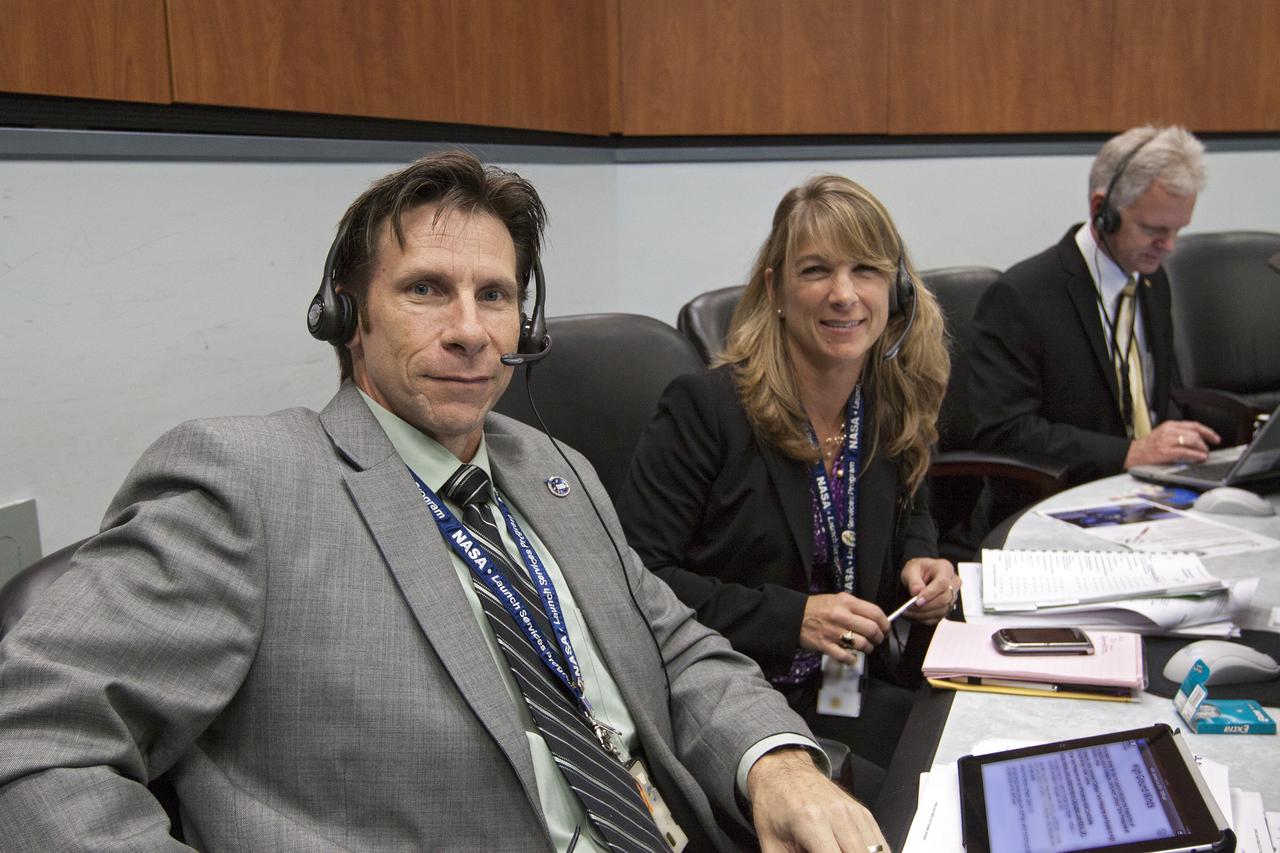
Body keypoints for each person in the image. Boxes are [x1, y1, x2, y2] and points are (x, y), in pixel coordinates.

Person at [0, 152, 889, 852]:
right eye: (426, 289)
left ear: (524, 327)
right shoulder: (248, 479)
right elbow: (33, 739)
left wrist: (775, 763)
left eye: (494, 296)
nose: (469, 330)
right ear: (349, 315)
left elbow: (678, 645)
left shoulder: (555, 467)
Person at [618, 174, 959, 800]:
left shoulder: (887, 402)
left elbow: (911, 505)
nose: (844, 294)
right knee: (917, 808)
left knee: (974, 766)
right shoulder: (706, 410)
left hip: (851, 684)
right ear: (775, 288)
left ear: (897, 289)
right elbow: (637, 581)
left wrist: (919, 558)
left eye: (866, 270)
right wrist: (791, 618)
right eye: (815, 271)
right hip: (741, 701)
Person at [969, 125, 1219, 515]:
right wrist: (1129, 452)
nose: (1169, 247)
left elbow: (1155, 393)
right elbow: (1003, 432)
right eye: (1154, 230)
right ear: (1101, 211)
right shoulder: (1022, 296)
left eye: (1177, 230)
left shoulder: (1152, 279)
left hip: (1149, 495)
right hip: (1056, 503)